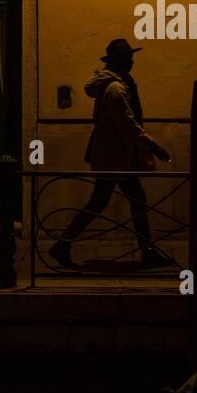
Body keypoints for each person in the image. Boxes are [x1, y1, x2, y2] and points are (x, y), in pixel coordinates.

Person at [49, 38, 174, 270]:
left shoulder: (117, 84)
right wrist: (154, 147)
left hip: (112, 156)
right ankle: (145, 252)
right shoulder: (116, 88)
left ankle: (63, 245)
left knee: (107, 202)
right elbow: (128, 125)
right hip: (116, 157)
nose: (133, 62)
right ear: (119, 62)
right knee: (127, 200)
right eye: (129, 58)